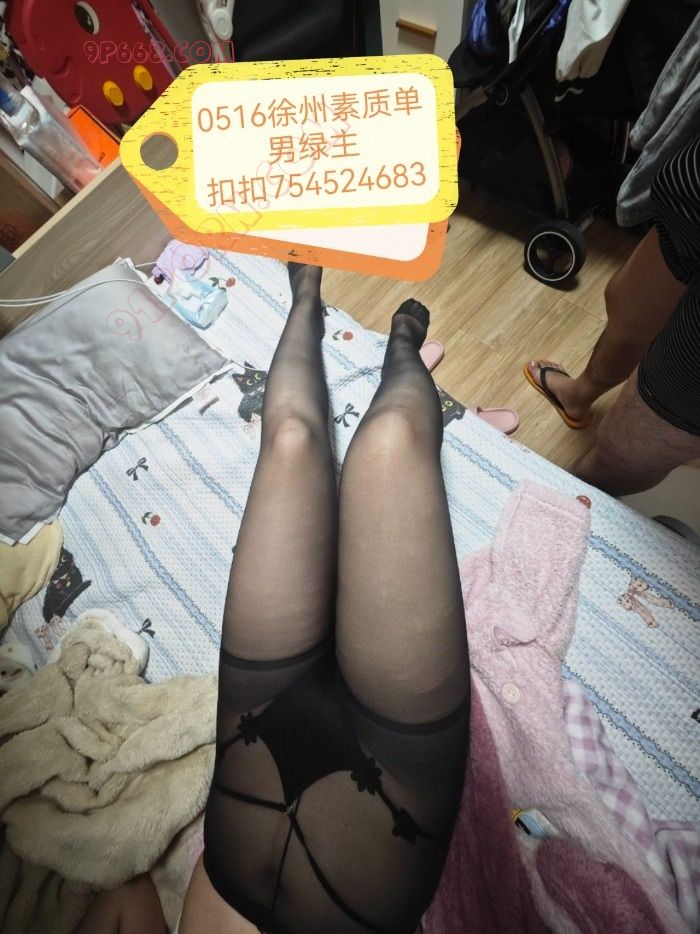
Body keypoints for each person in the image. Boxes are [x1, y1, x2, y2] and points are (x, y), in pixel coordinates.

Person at [176, 263, 470, 934]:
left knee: (289, 442)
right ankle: (403, 347)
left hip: (252, 757)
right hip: (385, 811)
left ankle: (305, 301)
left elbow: (123, 903)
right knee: (392, 445)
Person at [525, 135, 700, 496]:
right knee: (626, 304)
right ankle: (578, 396)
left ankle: (559, 506)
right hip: (689, 205)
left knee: (628, 445)